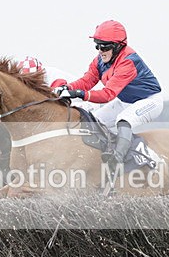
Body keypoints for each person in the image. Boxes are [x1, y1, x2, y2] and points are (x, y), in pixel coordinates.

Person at [53, 20, 163, 168]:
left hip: (149, 101)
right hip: (125, 101)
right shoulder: (100, 60)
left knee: (123, 120)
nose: (100, 50)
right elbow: (87, 81)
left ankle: (118, 159)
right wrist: (67, 87)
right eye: (97, 46)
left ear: (118, 46)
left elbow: (107, 95)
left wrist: (79, 94)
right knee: (95, 122)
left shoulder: (128, 62)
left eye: (104, 46)